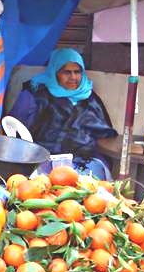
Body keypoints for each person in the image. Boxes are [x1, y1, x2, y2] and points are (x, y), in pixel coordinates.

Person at [8, 48, 117, 179]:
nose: (73, 77)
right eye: (67, 72)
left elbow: (104, 133)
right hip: (44, 158)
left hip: (84, 160)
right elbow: (14, 128)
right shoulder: (35, 95)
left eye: (77, 72)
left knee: (91, 189)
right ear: (55, 72)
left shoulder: (89, 97)